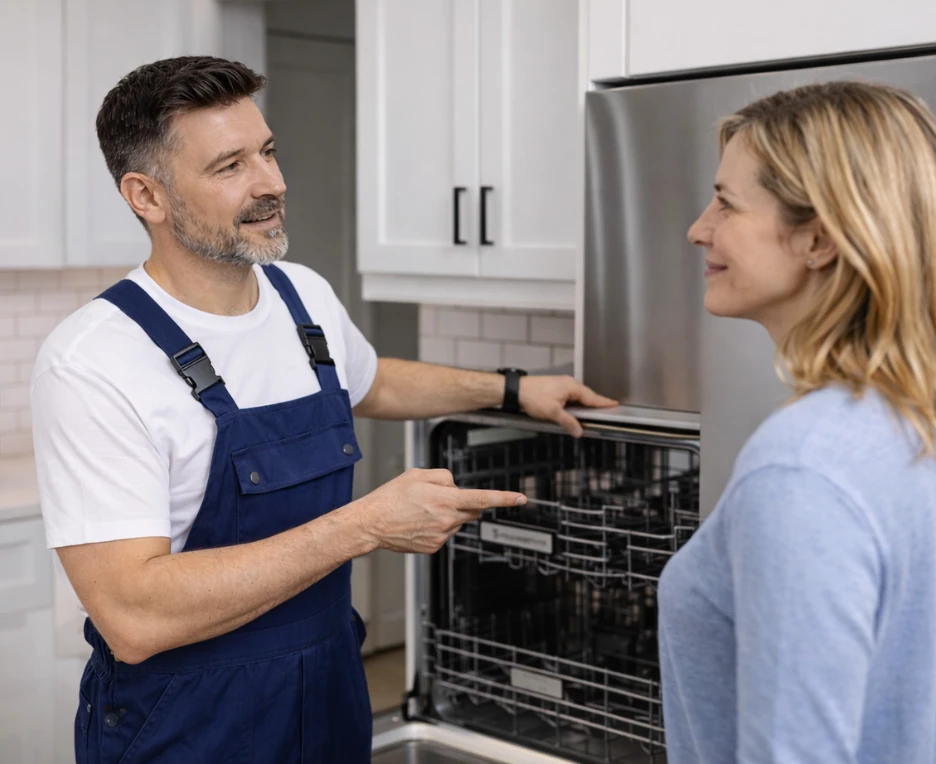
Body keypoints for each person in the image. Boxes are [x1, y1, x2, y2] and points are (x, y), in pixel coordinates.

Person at [30, 56, 615, 764]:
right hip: (185, 724)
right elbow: (133, 615)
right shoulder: (94, 361)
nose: (272, 184)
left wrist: (512, 389)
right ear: (146, 195)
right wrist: (362, 527)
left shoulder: (299, 294)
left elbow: (371, 383)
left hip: (328, 694)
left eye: (268, 152)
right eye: (230, 166)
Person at [658, 81, 936, 763]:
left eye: (727, 204)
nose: (698, 228)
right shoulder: (935, 419)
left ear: (819, 239)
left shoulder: (803, 467)